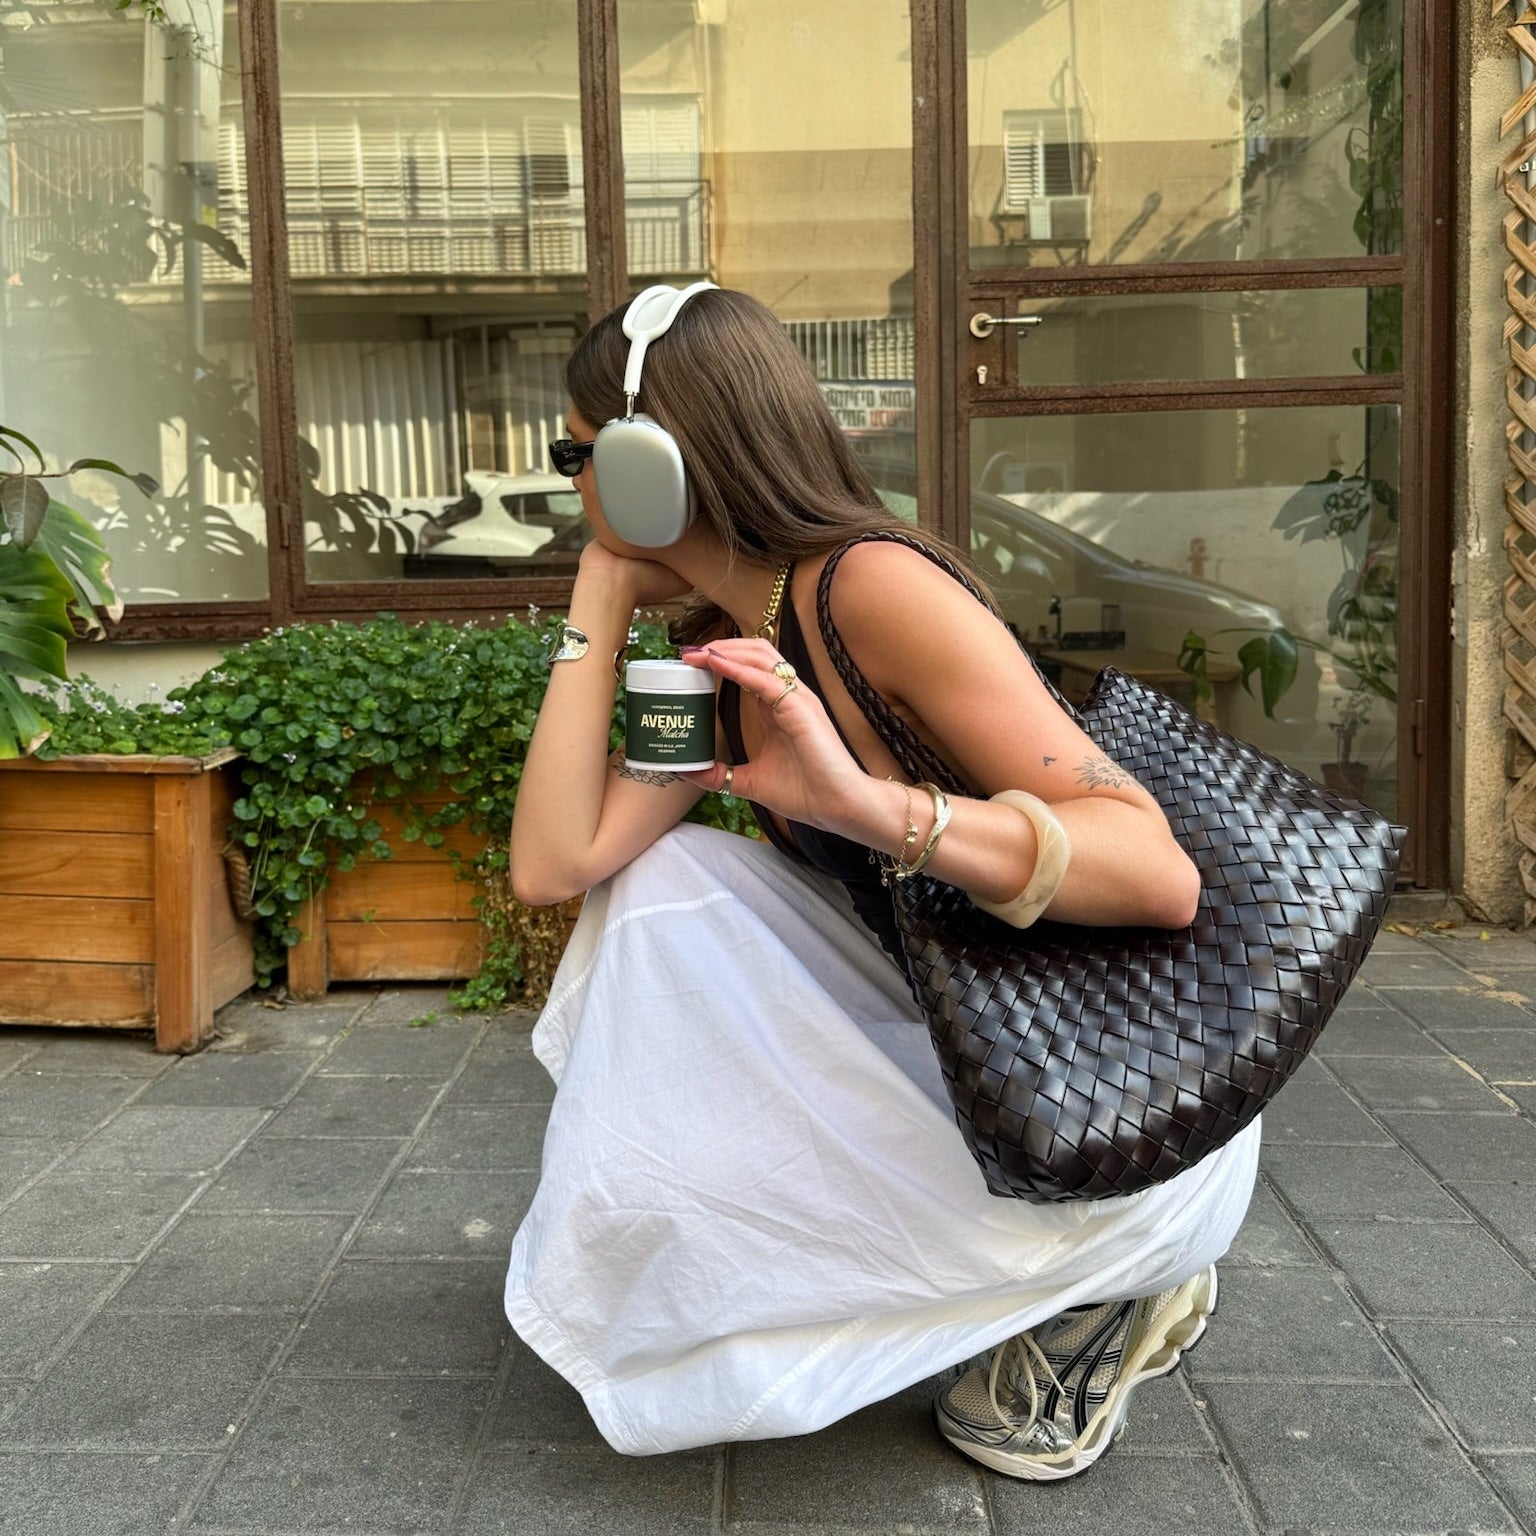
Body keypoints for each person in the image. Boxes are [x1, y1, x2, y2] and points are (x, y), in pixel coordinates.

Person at [504, 284, 1259, 1479]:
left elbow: (1154, 871)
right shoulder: (730, 644)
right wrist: (596, 599)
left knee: (997, 1432)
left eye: (574, 456)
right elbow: (554, 864)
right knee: (665, 880)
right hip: (970, 1048)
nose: (568, 488)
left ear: (649, 465)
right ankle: (1004, 1270)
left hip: (1114, 1101)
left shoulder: (871, 589)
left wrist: (865, 807)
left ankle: (1116, 1274)